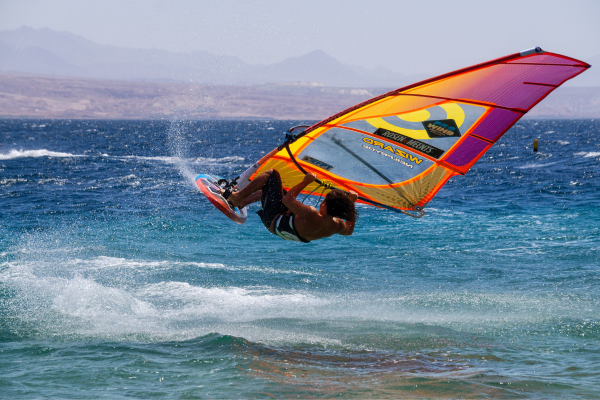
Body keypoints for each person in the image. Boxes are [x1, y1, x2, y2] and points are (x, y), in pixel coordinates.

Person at [226, 169, 358, 243]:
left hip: (273, 218)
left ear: (324, 204)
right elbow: (349, 230)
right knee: (275, 192)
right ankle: (243, 202)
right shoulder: (336, 225)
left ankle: (237, 198)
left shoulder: (312, 214)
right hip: (280, 228)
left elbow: (288, 201)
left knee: (272, 175)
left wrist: (305, 182)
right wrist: (351, 204)